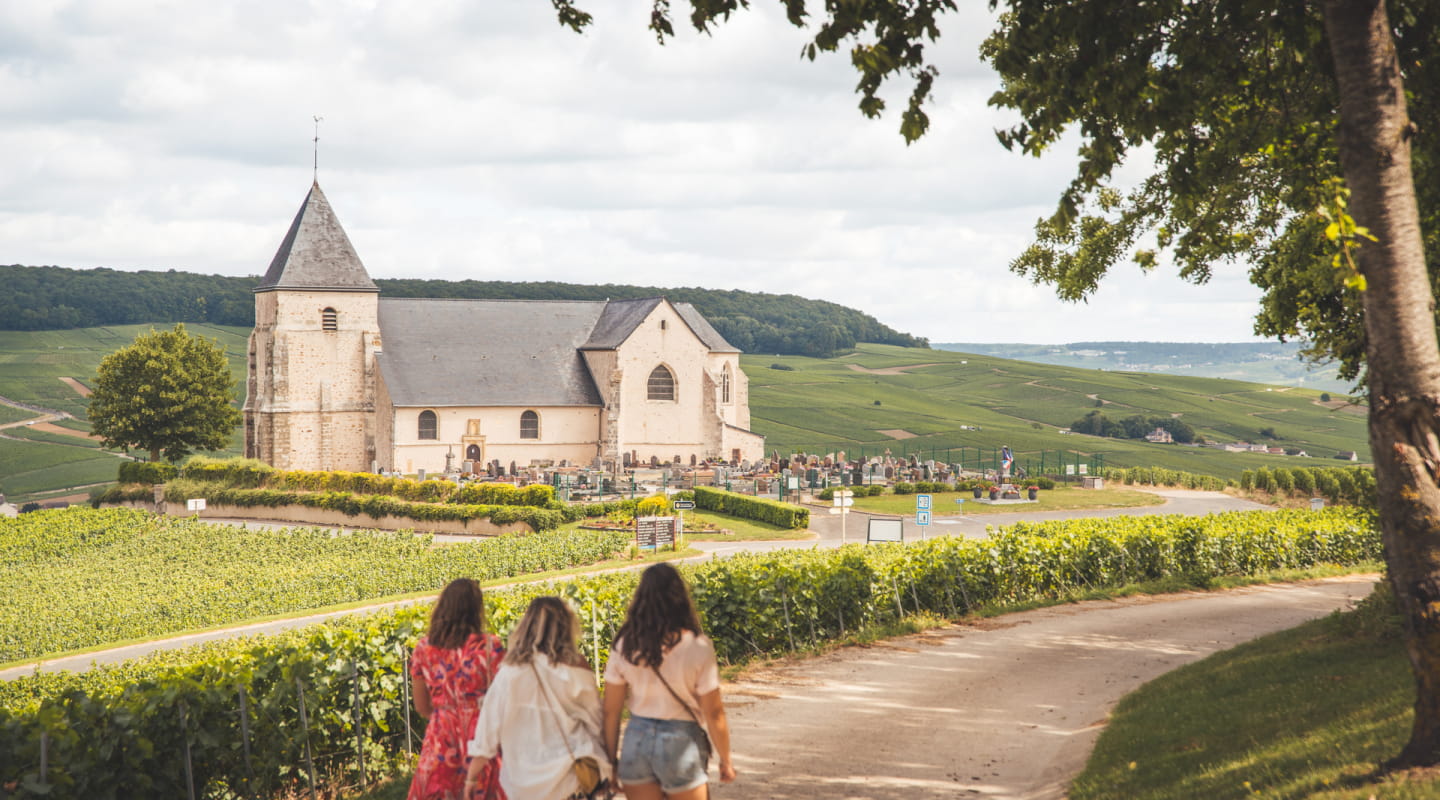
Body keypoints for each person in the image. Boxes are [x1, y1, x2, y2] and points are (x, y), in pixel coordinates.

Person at [603, 563, 736, 799]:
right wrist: (725, 759)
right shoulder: (697, 645)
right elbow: (714, 712)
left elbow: (611, 712)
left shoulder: (624, 644)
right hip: (681, 742)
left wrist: (610, 763)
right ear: (680, 598)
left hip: (636, 740)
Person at [466, 597, 612, 799]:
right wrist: (607, 764)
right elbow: (596, 720)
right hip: (570, 778)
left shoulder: (509, 674)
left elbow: (488, 728)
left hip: (524, 785)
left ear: (526, 628)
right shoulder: (576, 665)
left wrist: (472, 778)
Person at [408, 579, 507, 800]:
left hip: (441, 737)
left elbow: (422, 706)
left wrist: (447, 714)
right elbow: (503, 700)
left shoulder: (424, 649)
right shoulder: (489, 646)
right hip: (482, 733)